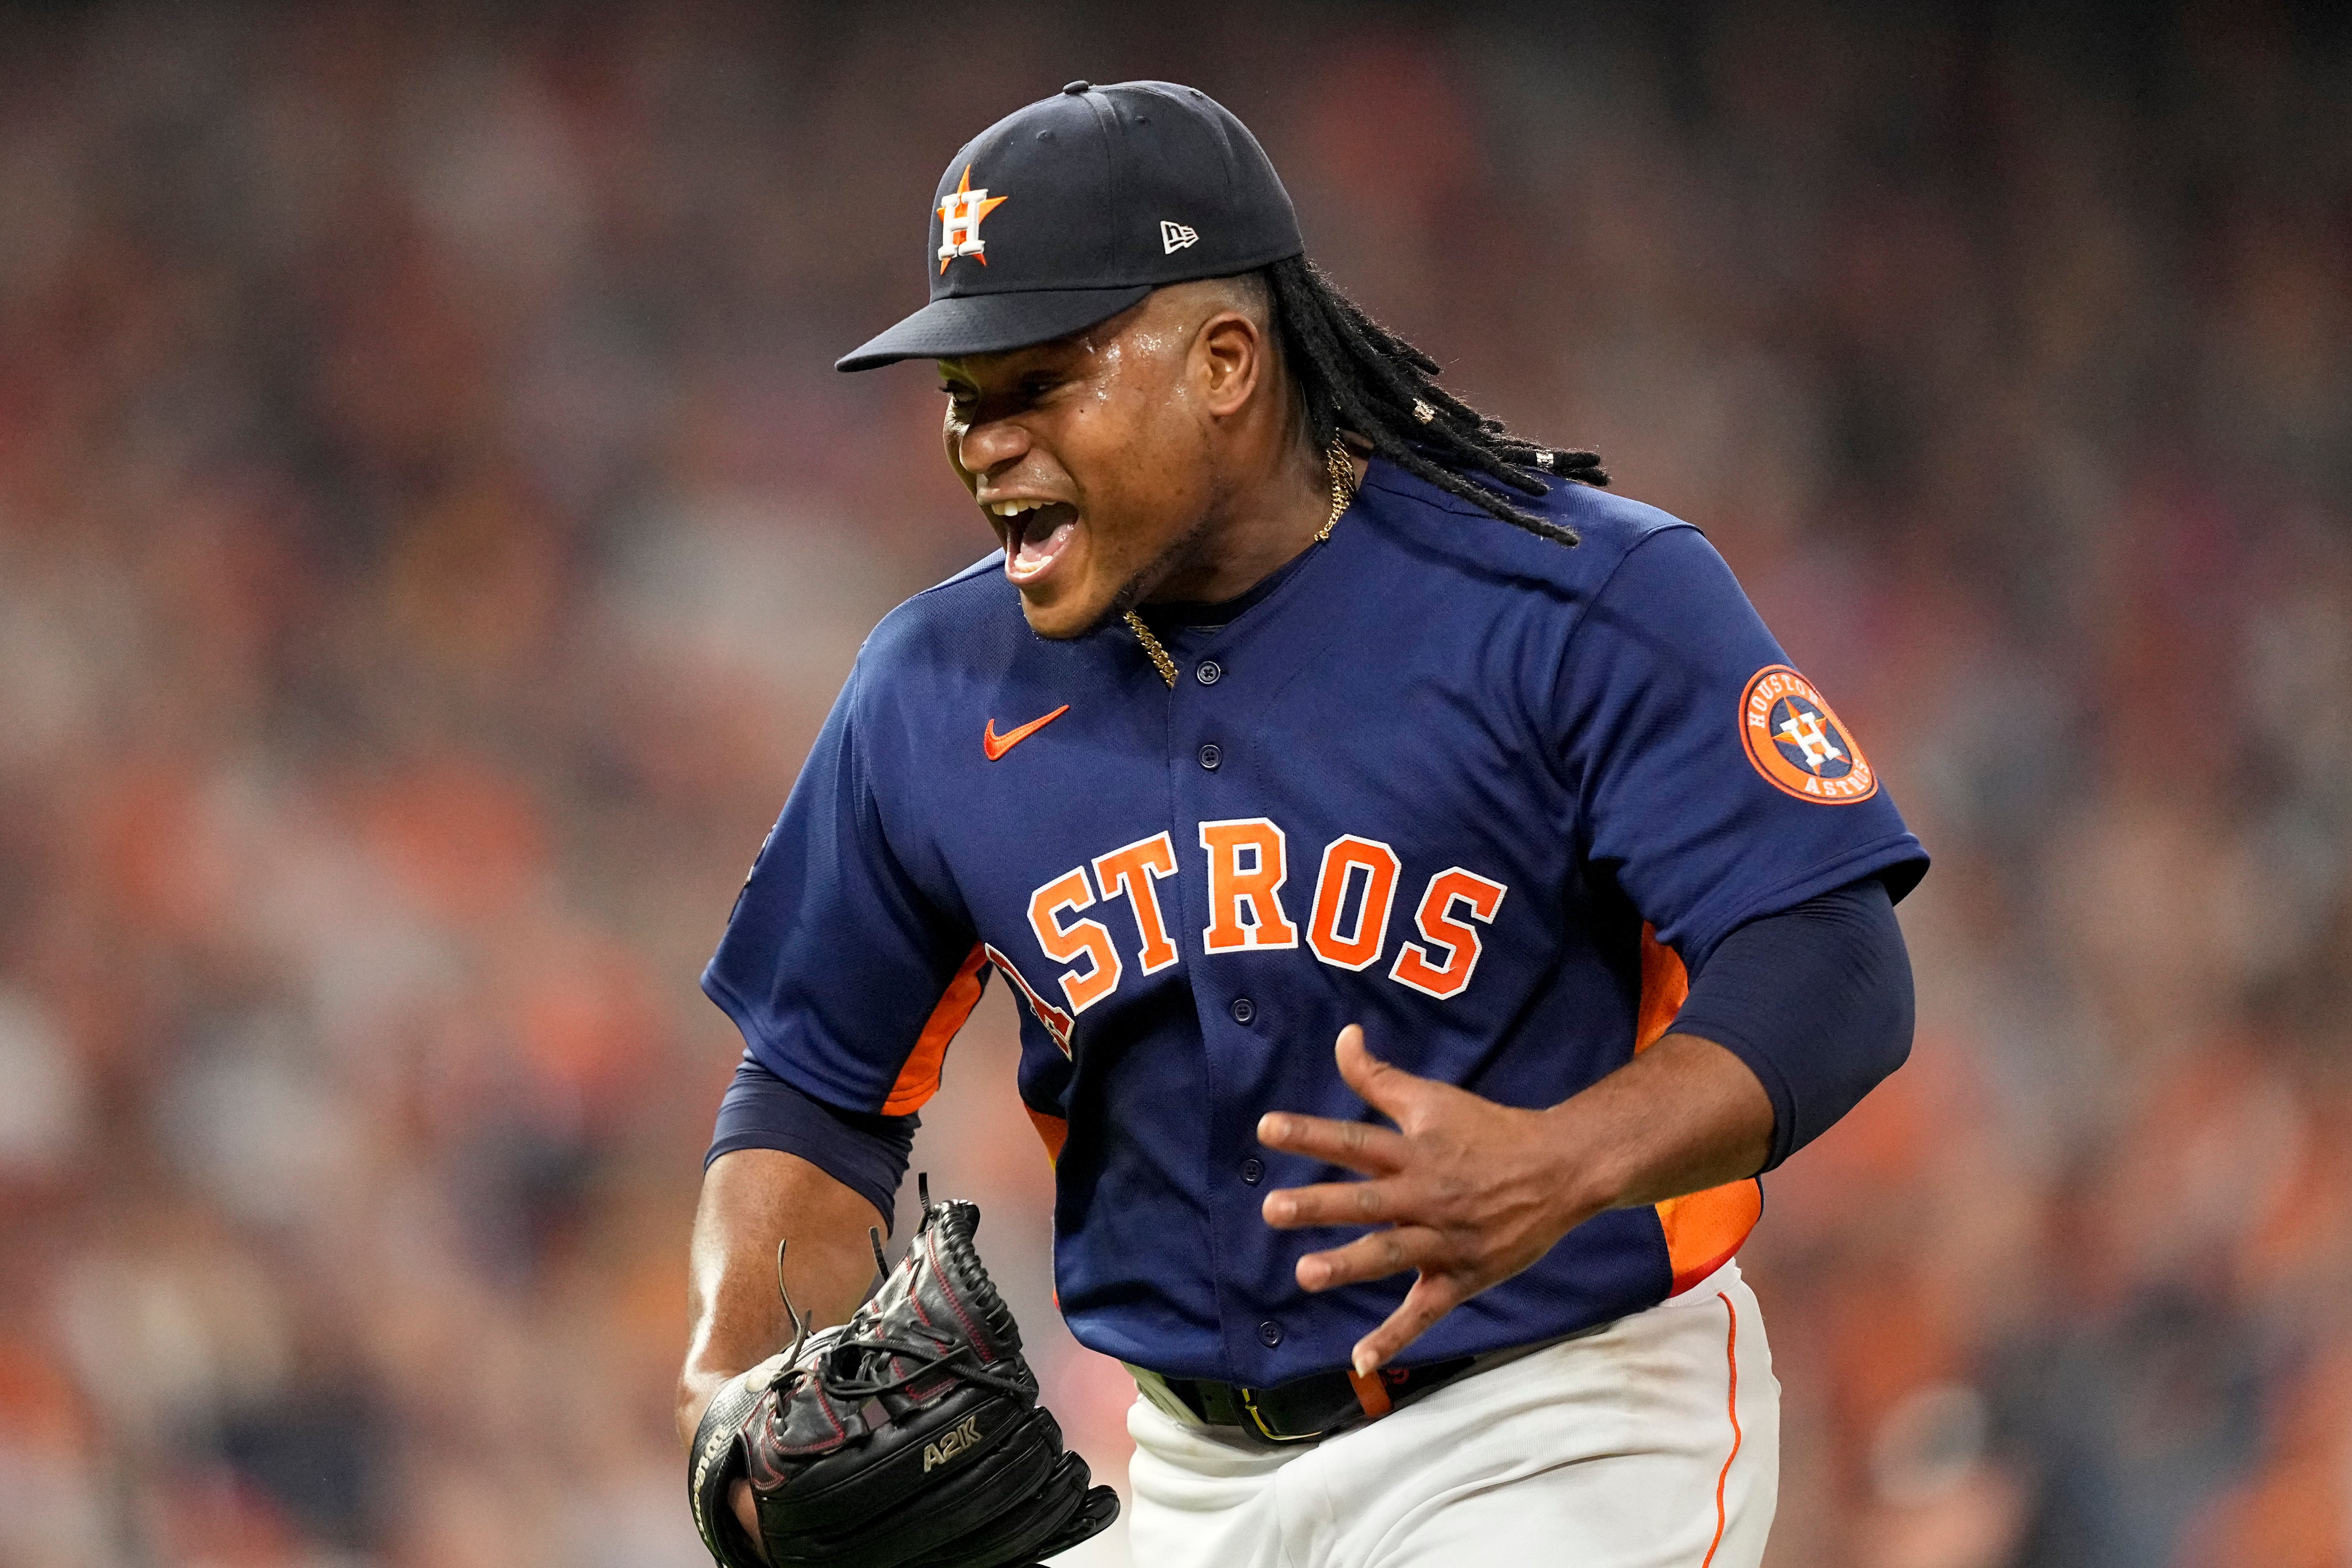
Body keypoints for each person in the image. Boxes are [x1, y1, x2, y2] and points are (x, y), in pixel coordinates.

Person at [677, 79, 1924, 1567]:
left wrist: (1566, 1159)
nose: (984, 443)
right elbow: (813, 1093)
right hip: (1186, 1477)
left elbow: (1832, 954)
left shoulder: (1572, 597)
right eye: (965, 399)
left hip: (1561, 1421)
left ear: (1222, 361)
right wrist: (736, 1392)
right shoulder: (932, 689)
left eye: (1036, 385)